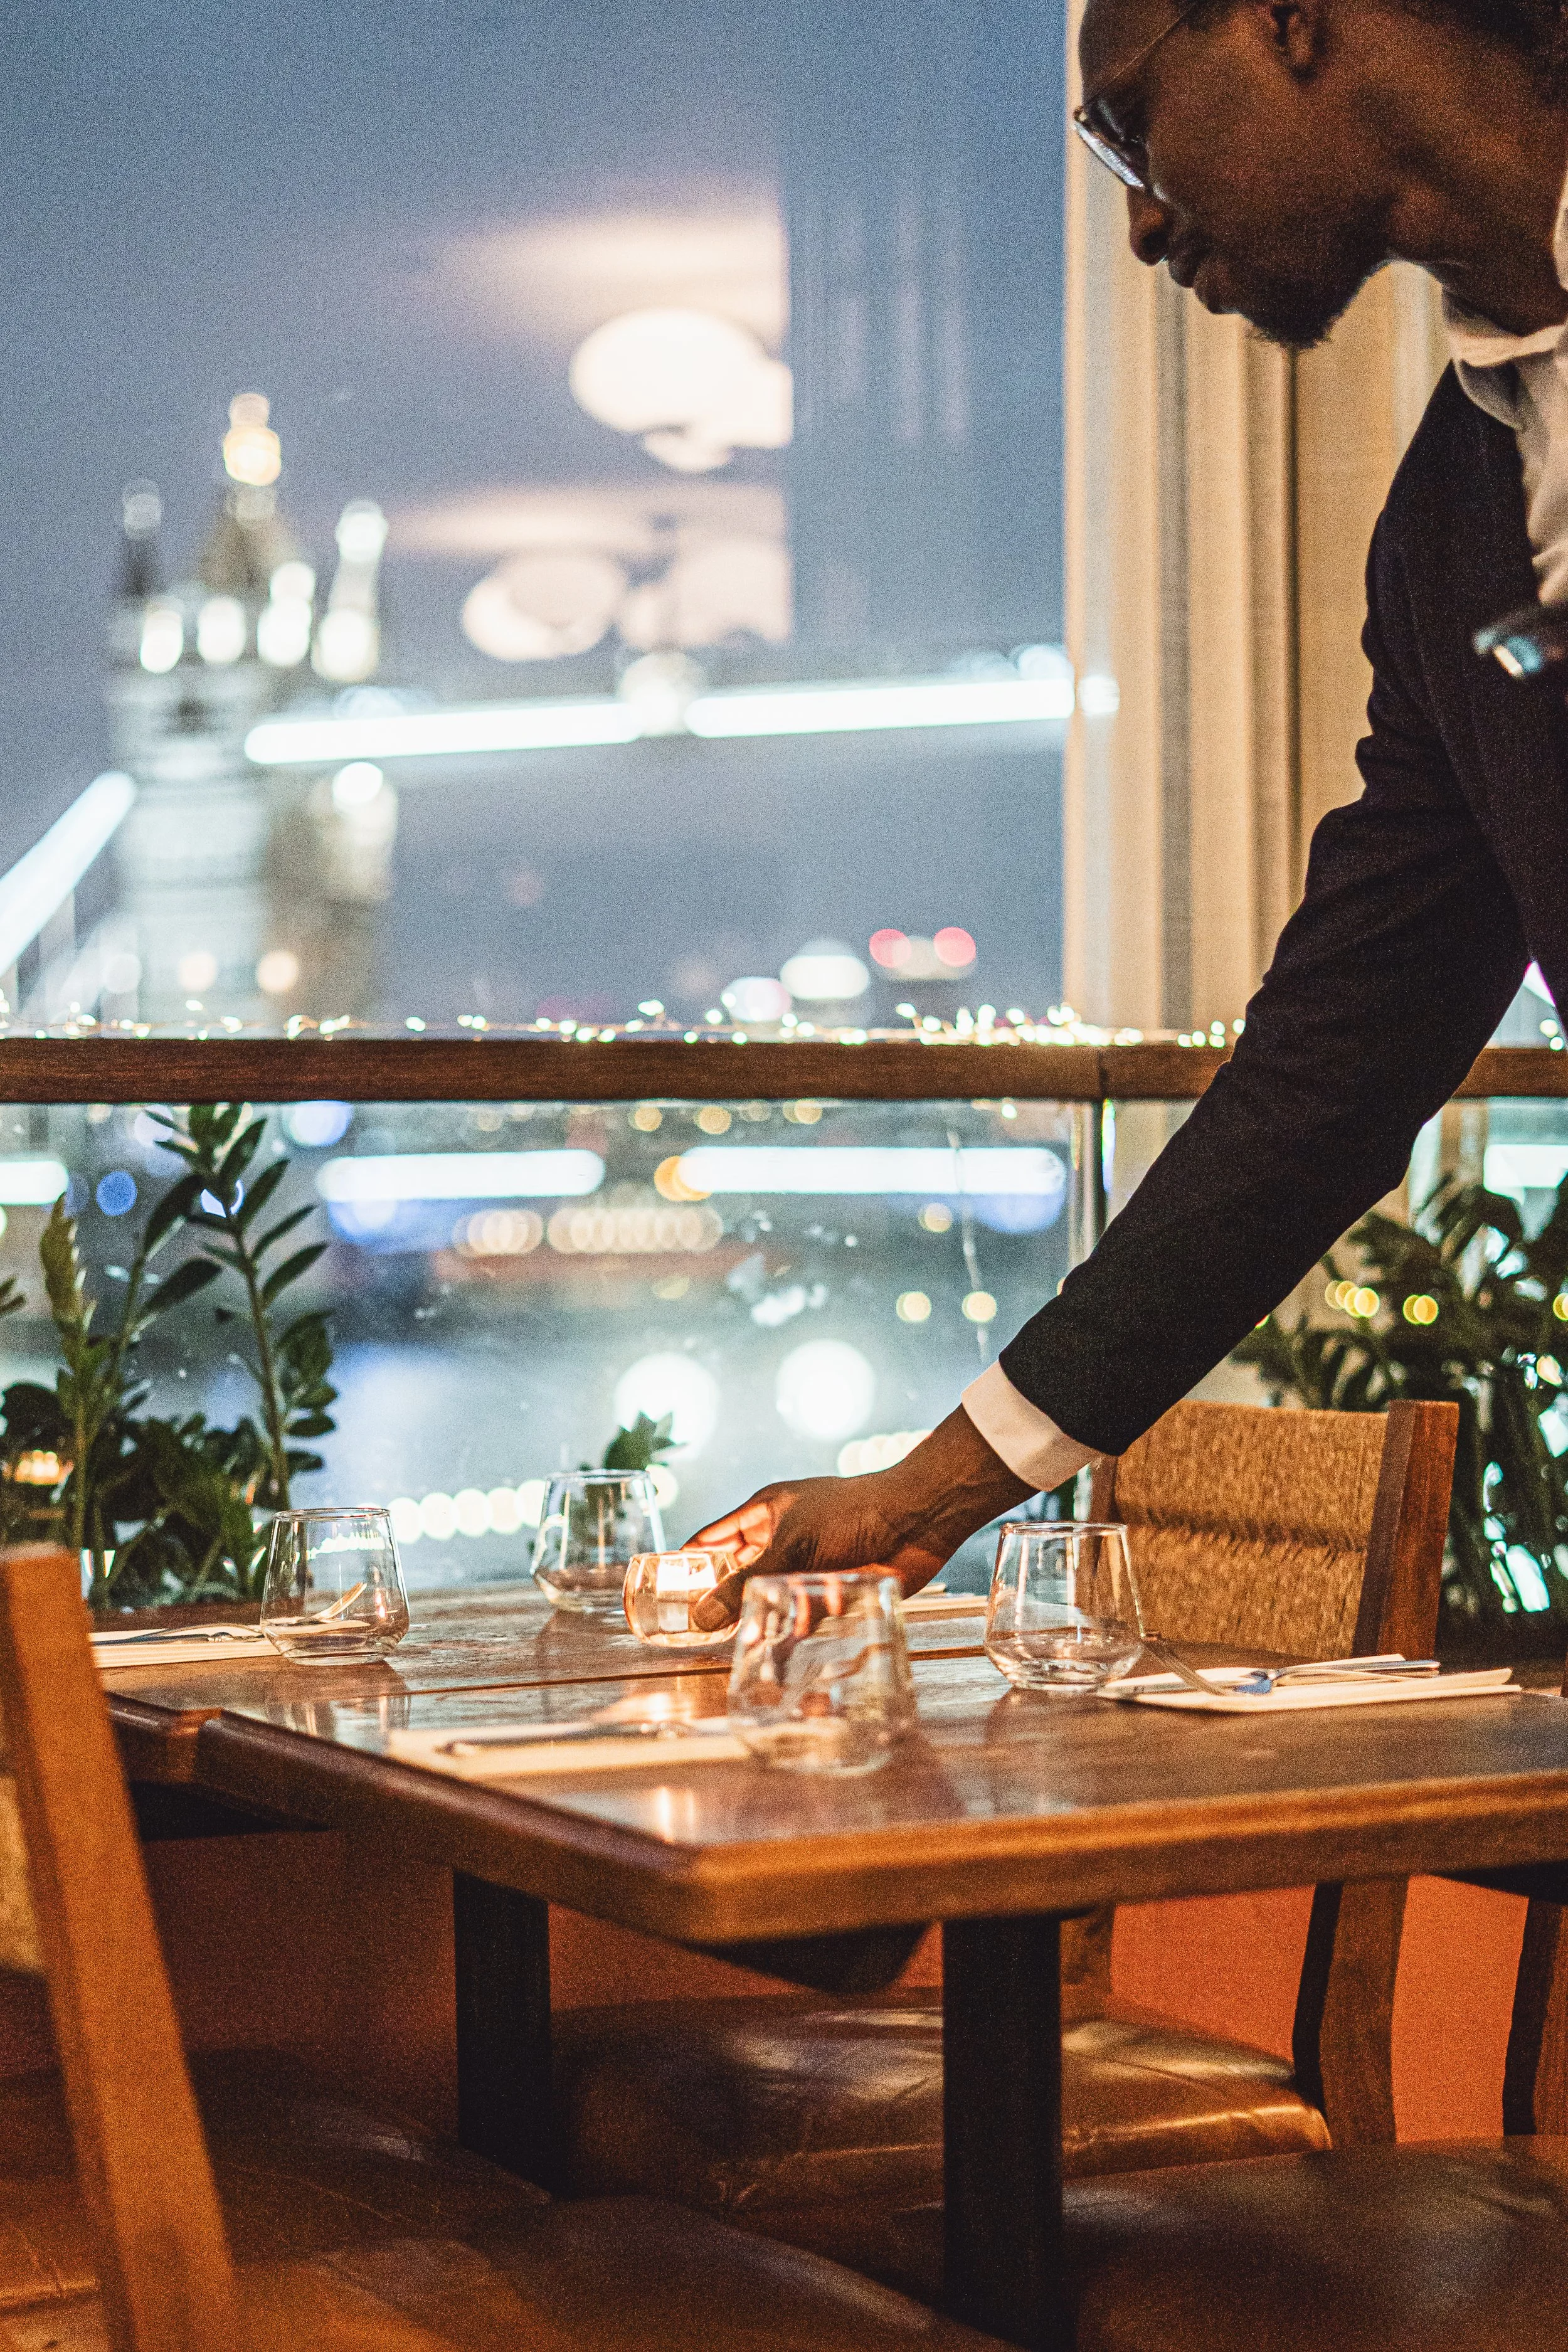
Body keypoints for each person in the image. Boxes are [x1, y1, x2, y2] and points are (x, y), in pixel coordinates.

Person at [692, 0, 1568, 1629]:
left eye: (1128, 123)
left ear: (1287, 26)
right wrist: (925, 1491)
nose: (1143, 218)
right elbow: (1332, 1067)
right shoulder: (1456, 524)